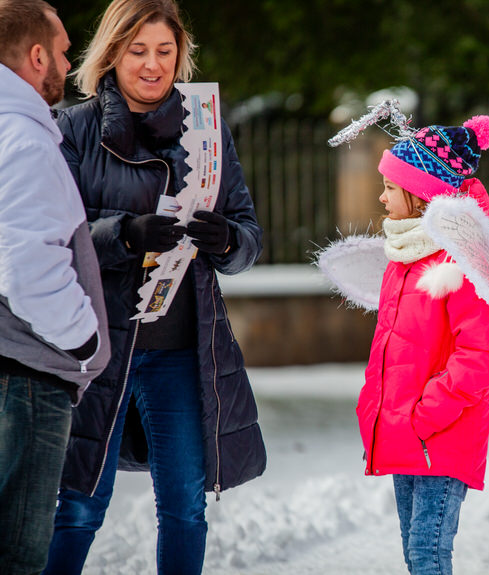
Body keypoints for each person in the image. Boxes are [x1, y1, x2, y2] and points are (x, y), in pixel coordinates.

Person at [41, 0, 265, 573]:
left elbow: (248, 237)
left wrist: (227, 241)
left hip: (179, 353)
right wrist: (125, 232)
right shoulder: (72, 128)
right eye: (138, 50)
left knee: (186, 508)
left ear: (180, 55)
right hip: (99, 349)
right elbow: (49, 238)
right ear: (112, 53)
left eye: (165, 51)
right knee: (78, 507)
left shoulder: (207, 126)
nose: (151, 65)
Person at [318, 112, 489, 575]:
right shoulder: (403, 258)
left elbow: (486, 354)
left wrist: (427, 414)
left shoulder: (457, 264)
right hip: (410, 434)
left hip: (438, 439)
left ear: (421, 191)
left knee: (427, 555)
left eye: (390, 185)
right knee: (415, 554)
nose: (381, 195)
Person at [0, 2, 110, 573]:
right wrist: (86, 342)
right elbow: (28, 268)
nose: (69, 61)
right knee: (18, 550)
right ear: (36, 55)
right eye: (64, 49)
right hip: (27, 374)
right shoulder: (23, 138)